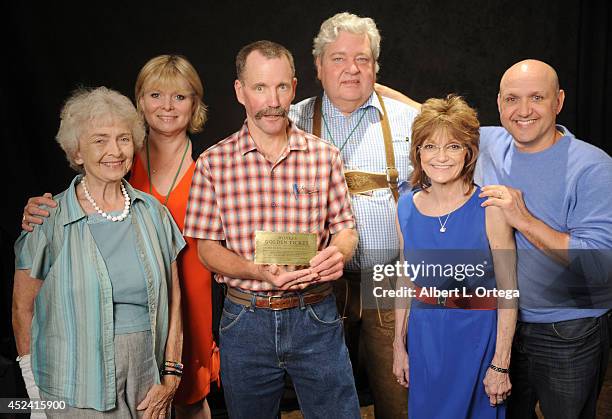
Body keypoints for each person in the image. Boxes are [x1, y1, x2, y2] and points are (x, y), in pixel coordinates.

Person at [21, 55, 220, 419]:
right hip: (112, 329)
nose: (167, 107)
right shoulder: (119, 160)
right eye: (156, 95)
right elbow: (28, 296)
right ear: (140, 102)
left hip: (185, 307)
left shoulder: (215, 168)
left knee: (189, 400)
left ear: (195, 104)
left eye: (180, 97)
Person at [183, 40, 360, 418]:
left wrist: (338, 254)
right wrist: (254, 270)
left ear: (294, 87)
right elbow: (207, 250)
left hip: (316, 314)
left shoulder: (323, 156)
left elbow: (345, 230)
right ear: (240, 91)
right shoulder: (213, 163)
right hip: (246, 320)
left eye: (281, 87)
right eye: (260, 87)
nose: (273, 100)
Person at [288, 13, 419, 418]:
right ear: (318, 66)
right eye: (338, 58)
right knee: (326, 399)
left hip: (388, 281)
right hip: (321, 286)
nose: (351, 69)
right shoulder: (291, 121)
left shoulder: (410, 121)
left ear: (376, 68)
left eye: (362, 59)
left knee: (399, 393)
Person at [476, 59, 612, 419]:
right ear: (499, 102)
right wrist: (368, 86)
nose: (523, 111)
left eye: (537, 97)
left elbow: (598, 264)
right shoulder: (491, 143)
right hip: (504, 328)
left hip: (569, 331)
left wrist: (523, 220)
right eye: (512, 99)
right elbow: (431, 116)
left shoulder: (593, 167)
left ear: (559, 101)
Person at [394, 95, 518, 418]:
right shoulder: (405, 206)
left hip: (477, 338)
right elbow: (406, 278)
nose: (441, 157)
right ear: (418, 152)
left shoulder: (490, 208)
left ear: (468, 152)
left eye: (452, 146)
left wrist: (501, 362)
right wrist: (398, 345)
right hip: (425, 339)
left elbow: (508, 289)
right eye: (430, 146)